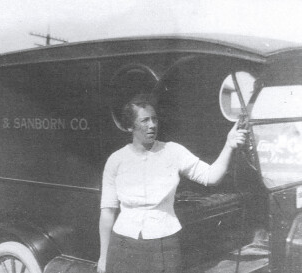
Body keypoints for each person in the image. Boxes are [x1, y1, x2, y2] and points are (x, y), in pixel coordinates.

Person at [97, 94, 247, 273]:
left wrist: (229, 145)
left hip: (164, 245)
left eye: (154, 119)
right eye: (145, 120)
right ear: (130, 126)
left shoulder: (173, 152)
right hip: (123, 245)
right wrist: (103, 257)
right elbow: (107, 212)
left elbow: (211, 177)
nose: (152, 125)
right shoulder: (116, 160)